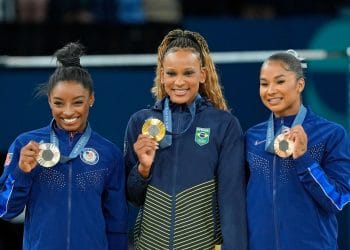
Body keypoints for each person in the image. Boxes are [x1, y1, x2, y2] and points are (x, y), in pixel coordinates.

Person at [124, 28, 247, 250]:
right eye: (171, 73)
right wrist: (142, 169)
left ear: (202, 74)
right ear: (162, 75)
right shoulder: (140, 122)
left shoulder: (224, 125)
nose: (179, 82)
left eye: (188, 73)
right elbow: (132, 197)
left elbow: (232, 201)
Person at [0, 42, 128, 250]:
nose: (68, 112)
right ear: (50, 101)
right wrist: (21, 172)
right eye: (59, 103)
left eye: (77, 102)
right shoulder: (26, 145)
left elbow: (117, 223)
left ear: (91, 99)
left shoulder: (109, 153)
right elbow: (6, 210)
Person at [245, 50, 350, 250]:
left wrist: (304, 158)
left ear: (300, 84)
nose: (271, 90)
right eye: (264, 83)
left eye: (280, 82)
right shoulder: (252, 137)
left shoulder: (332, 134)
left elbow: (338, 199)